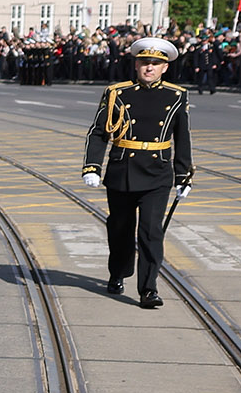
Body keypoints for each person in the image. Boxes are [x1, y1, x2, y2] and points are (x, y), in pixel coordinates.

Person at [82, 35, 192, 308]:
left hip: (157, 172)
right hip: (123, 170)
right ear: (136, 65)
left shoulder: (176, 95)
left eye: (155, 63)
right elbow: (98, 133)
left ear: (165, 67)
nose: (150, 68)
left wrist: (183, 175)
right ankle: (118, 272)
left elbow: (183, 137)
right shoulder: (117, 93)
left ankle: (148, 289)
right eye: (145, 62)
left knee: (151, 231)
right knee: (120, 228)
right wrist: (92, 166)